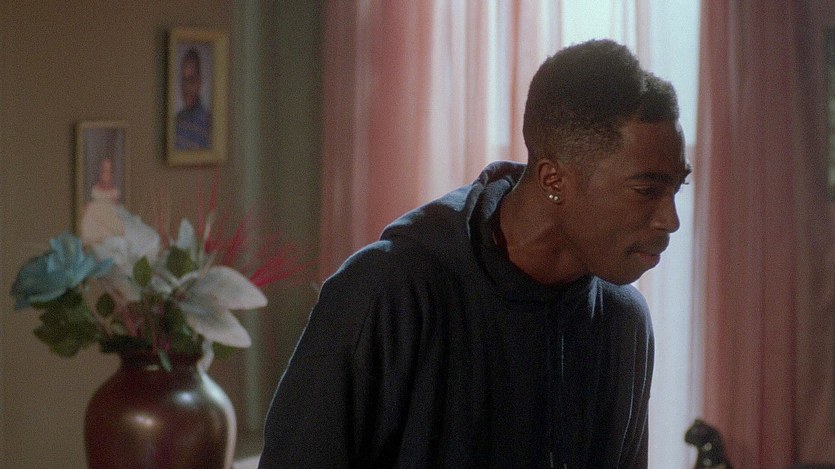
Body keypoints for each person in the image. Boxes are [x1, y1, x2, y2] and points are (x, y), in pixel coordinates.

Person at [259, 39, 691, 468]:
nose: (670, 220)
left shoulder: (623, 321)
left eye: (676, 187)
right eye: (646, 190)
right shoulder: (387, 292)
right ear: (553, 179)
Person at [80, 157, 125, 245]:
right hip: (95, 212)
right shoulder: (95, 187)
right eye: (104, 170)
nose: (105, 173)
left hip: (107, 213)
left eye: (108, 170)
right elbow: (92, 201)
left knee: (95, 211)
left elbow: (115, 207)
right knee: (88, 214)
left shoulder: (114, 191)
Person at [174, 47, 211, 150]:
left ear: (199, 82)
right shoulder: (175, 123)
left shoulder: (210, 125)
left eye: (191, 80)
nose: (187, 88)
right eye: (184, 81)